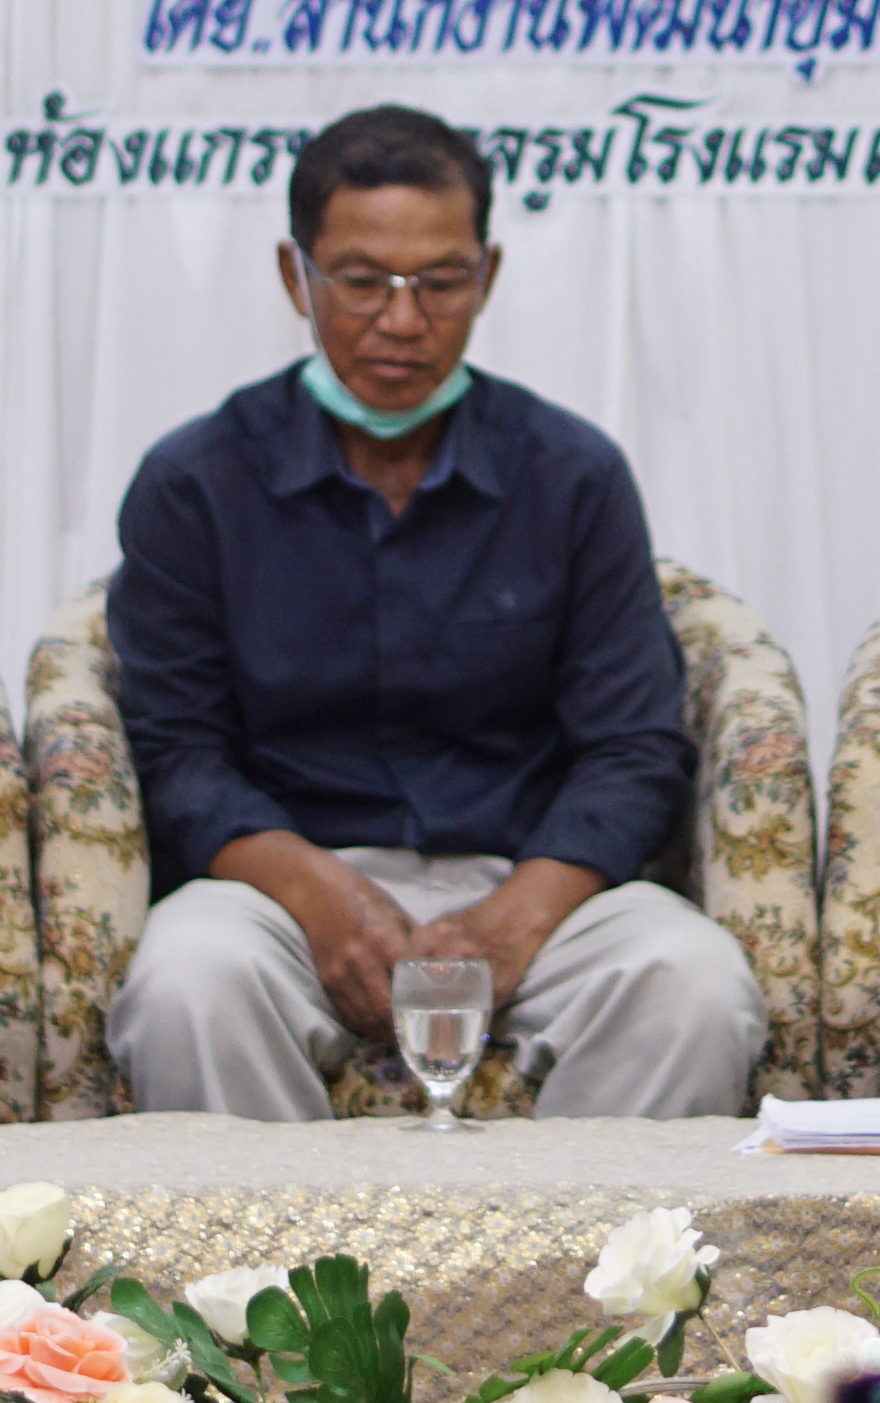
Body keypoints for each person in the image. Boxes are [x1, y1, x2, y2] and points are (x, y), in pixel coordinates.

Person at [103, 103, 763, 1116]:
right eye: (362, 282)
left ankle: (590, 1274)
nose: (403, 321)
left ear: (487, 276)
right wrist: (318, 896)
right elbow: (178, 755)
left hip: (527, 876)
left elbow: (635, 749)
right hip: (284, 885)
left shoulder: (571, 474)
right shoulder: (197, 482)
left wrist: (515, 917)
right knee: (189, 979)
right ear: (298, 277)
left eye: (440, 282)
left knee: (694, 983)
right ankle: (268, 1275)